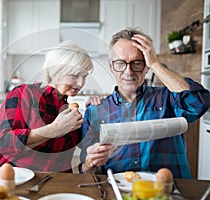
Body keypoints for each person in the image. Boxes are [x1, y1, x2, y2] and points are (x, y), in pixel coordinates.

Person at [79, 28, 210, 178]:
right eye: (121, 63)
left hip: (169, 191)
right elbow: (86, 171)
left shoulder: (168, 97)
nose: (128, 71)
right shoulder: (95, 111)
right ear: (111, 66)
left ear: (147, 66)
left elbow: (199, 103)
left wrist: (156, 64)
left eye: (137, 63)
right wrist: (91, 162)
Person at [0, 40, 93, 172]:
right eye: (74, 75)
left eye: (84, 76)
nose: (80, 83)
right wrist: (55, 129)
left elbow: (87, 146)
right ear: (55, 72)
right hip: (13, 179)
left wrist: (94, 113)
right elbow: (5, 143)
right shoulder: (24, 94)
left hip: (54, 184)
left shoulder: (69, 111)